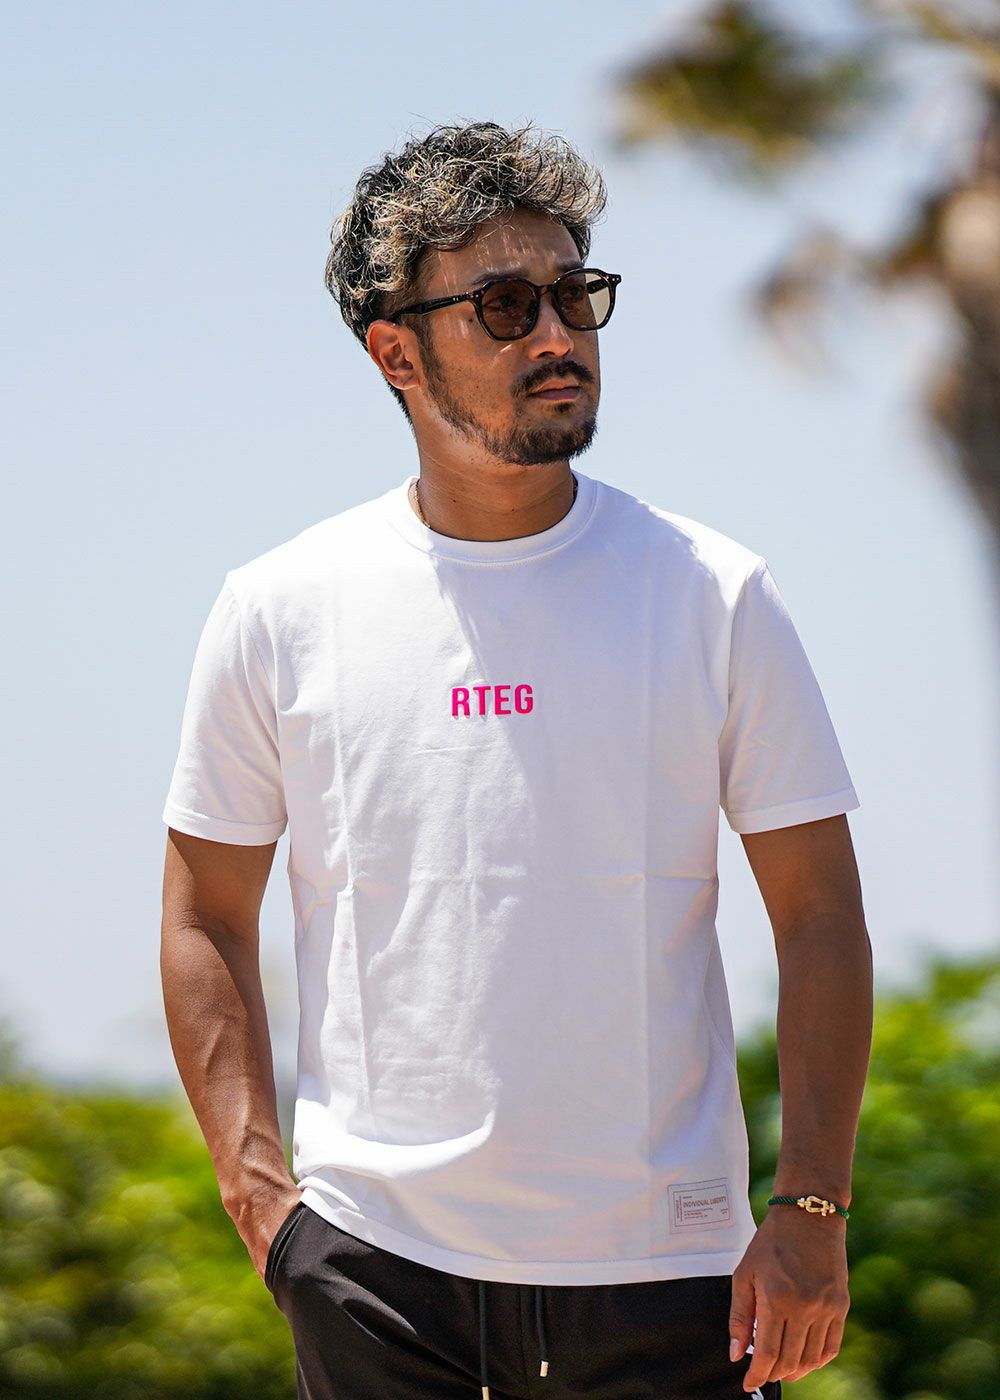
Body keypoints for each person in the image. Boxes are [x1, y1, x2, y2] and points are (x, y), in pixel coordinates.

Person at [160, 120, 873, 1400]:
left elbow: (819, 915)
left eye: (574, 295)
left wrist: (811, 1204)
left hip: (673, 1273)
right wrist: (263, 1199)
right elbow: (205, 913)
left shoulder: (711, 593)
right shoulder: (281, 607)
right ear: (396, 351)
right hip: (377, 1272)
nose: (557, 335)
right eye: (504, 305)